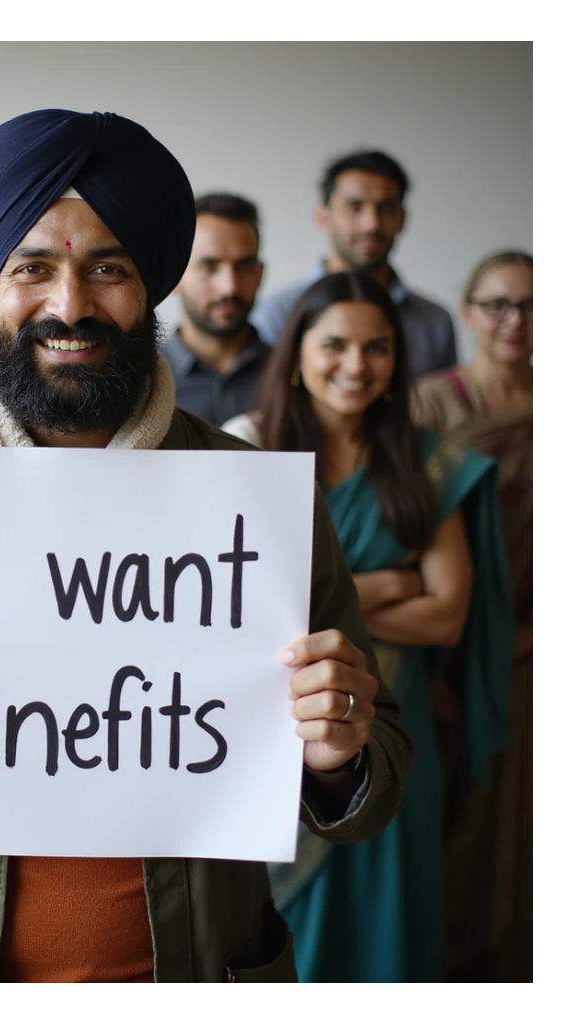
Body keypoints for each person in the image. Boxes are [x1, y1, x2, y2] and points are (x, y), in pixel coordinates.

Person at [0, 108, 414, 984]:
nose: (69, 305)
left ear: (152, 288)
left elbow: (374, 791)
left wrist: (339, 755)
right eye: (32, 268)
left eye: (108, 268)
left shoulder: (257, 503)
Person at [223, 271, 512, 982]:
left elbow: (446, 615)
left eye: (378, 348)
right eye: (336, 345)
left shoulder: (422, 456)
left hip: (388, 732)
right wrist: (390, 583)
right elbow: (241, 611)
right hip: (285, 733)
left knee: (388, 941)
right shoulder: (247, 447)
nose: (357, 366)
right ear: (294, 355)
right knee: (285, 939)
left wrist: (324, 598)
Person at [412, 250, 532, 982]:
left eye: (532, 306)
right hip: (440, 646)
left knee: (517, 826)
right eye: (497, 304)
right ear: (467, 312)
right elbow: (403, 531)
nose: (514, 321)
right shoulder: (428, 406)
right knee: (444, 815)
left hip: (535, 654)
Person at [250, 149, 457, 378]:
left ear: (402, 219)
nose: (372, 224)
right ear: (323, 217)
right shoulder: (277, 313)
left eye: (386, 209)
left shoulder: (434, 322)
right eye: (355, 207)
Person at [162, 193, 270, 425]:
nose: (229, 287)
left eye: (244, 266)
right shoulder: (139, 379)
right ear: (174, 277)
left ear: (260, 274)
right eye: (209, 267)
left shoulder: (294, 373)